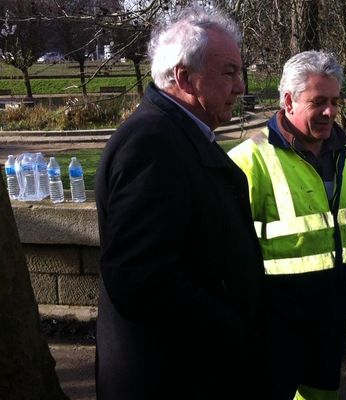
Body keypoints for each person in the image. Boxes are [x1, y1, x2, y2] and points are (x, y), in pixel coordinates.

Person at [94, 5, 265, 400]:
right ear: (185, 78)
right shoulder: (151, 143)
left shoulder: (177, 134)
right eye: (229, 73)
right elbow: (140, 278)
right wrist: (231, 326)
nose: (240, 87)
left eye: (239, 72)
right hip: (172, 377)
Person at [228, 50, 346, 400]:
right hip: (272, 324)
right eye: (319, 101)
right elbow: (227, 250)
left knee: (320, 396)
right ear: (289, 100)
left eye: (335, 101)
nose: (330, 112)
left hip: (330, 315)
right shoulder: (249, 159)